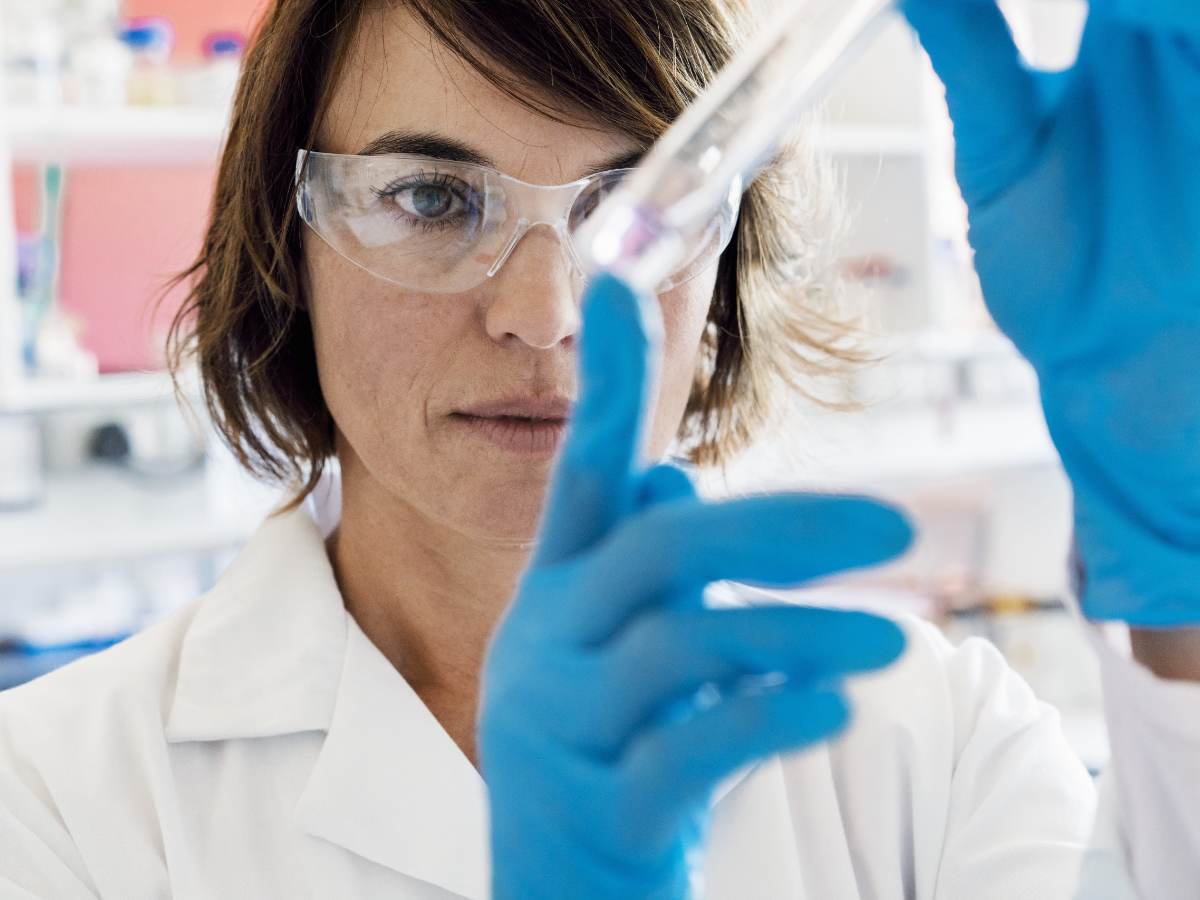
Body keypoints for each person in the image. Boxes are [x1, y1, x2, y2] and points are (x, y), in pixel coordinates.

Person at [0, 1, 1195, 899]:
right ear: (287, 246)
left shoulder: (934, 746)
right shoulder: (55, 795)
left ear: (719, 265)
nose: (544, 311)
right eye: (430, 197)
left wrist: (1184, 578)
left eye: (631, 209)